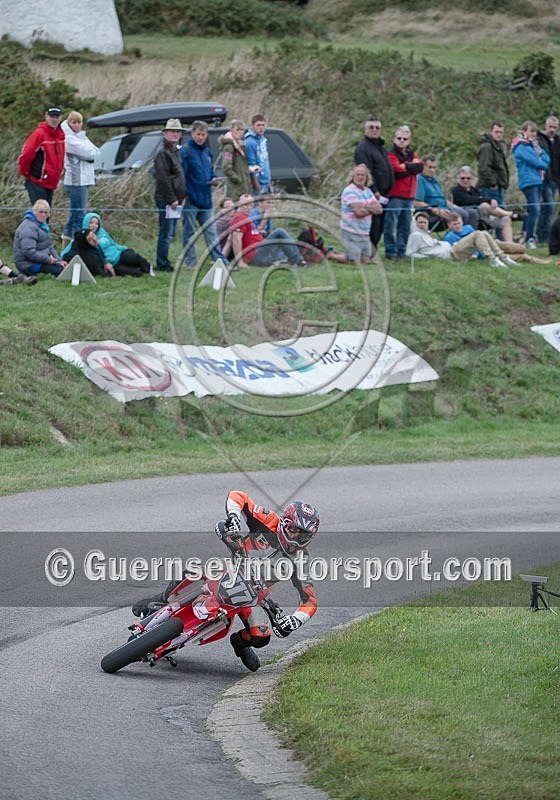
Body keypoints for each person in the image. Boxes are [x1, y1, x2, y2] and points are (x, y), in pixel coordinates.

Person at [131, 493, 321, 672]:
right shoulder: (269, 520)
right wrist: (234, 516)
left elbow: (310, 602)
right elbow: (239, 496)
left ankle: (239, 644)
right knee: (193, 570)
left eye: (303, 535)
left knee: (261, 636)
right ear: (284, 523)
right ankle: (161, 600)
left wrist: (295, 620)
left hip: (253, 597)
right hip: (229, 569)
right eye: (293, 530)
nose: (295, 538)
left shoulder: (302, 561)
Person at [406, 211, 550, 264]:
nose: (423, 224)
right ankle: (496, 258)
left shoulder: (427, 235)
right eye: (420, 222)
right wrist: (429, 257)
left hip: (482, 245)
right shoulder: (416, 236)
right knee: (522, 255)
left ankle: (500, 256)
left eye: (425, 222)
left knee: (519, 248)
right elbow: (410, 253)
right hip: (456, 251)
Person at [180, 120, 225, 268]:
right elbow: (182, 175)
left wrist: (214, 179)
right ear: (192, 134)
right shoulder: (185, 151)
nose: (200, 137)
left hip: (206, 198)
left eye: (203, 134)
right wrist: (185, 193)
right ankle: (190, 261)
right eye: (198, 134)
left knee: (211, 231)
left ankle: (218, 259)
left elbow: (210, 171)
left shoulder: (207, 151)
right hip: (191, 198)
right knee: (189, 232)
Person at [230, 194, 306, 268]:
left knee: (287, 246)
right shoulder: (239, 217)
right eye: (245, 205)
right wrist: (240, 262)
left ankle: (295, 258)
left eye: (251, 205)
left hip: (261, 247)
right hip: (255, 253)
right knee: (279, 232)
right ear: (239, 204)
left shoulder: (245, 217)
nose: (248, 208)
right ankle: (298, 261)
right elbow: (236, 239)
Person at [383, 125, 424, 260]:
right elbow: (396, 170)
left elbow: (420, 167)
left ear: (409, 141)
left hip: (409, 196)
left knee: (405, 226)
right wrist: (411, 167)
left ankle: (401, 251)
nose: (402, 141)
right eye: (399, 138)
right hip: (395, 195)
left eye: (405, 139)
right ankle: (390, 251)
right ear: (394, 139)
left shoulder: (412, 154)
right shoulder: (391, 154)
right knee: (391, 225)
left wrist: (405, 166)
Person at [60, 111, 99, 248]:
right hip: (76, 182)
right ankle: (77, 245)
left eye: (79, 122)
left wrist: (90, 155)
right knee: (79, 215)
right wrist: (90, 155)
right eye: (74, 122)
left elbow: (95, 151)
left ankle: (66, 244)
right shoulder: (68, 138)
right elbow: (89, 152)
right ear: (69, 123)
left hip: (85, 180)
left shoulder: (80, 136)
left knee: (74, 214)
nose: (77, 125)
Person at [353, 118, 394, 247]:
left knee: (380, 224)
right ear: (366, 129)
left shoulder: (380, 148)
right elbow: (365, 172)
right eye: (371, 127)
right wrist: (374, 190)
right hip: (371, 193)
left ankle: (372, 251)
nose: (374, 130)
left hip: (385, 193)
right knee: (372, 224)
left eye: (377, 127)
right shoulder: (363, 148)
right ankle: (367, 252)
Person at [153, 118, 187, 272]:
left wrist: (181, 197)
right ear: (165, 133)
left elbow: (178, 176)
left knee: (170, 232)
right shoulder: (162, 153)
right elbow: (163, 179)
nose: (175, 134)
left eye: (177, 131)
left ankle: (164, 261)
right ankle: (162, 263)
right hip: (166, 199)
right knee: (166, 233)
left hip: (175, 199)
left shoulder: (175, 151)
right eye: (172, 131)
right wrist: (172, 199)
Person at [511, 120, 550, 249]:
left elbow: (546, 158)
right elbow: (538, 163)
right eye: (531, 131)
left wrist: (542, 159)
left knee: (532, 210)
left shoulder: (535, 146)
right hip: (529, 181)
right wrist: (542, 161)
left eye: (535, 132)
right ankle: (529, 238)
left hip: (538, 180)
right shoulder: (521, 147)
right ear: (524, 132)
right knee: (535, 210)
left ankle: (524, 235)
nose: (534, 134)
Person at [451, 166, 515, 241]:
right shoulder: (456, 191)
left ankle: (510, 245)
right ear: (458, 179)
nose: (465, 180)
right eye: (463, 178)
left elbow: (479, 199)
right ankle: (510, 214)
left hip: (485, 216)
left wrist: (488, 200)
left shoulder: (474, 190)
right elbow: (469, 200)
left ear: (472, 179)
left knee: (506, 220)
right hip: (469, 216)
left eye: (468, 178)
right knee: (483, 205)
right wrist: (488, 200)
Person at [77, 212, 151, 277]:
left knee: (135, 258)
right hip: (112, 264)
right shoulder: (82, 238)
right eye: (91, 223)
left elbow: (112, 243)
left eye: (96, 223)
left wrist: (124, 249)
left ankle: (149, 269)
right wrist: (65, 260)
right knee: (137, 273)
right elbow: (71, 248)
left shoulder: (102, 232)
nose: (94, 225)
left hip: (119, 254)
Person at [18, 107, 66, 206]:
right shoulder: (39, 134)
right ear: (46, 116)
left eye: (57, 116)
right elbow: (26, 155)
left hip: (51, 182)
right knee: (38, 214)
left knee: (46, 215)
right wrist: (26, 172)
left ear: (60, 118)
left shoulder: (60, 135)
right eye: (52, 116)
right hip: (37, 182)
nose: (54, 119)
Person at [340, 164, 382, 263]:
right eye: (357, 175)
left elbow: (379, 209)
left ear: (367, 177)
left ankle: (339, 254)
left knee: (365, 261)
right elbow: (359, 212)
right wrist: (370, 208)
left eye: (362, 175)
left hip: (364, 232)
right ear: (353, 177)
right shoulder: (349, 191)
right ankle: (332, 255)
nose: (360, 177)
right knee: (356, 263)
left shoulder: (367, 191)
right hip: (350, 230)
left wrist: (365, 208)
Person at [13, 199, 67, 277]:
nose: (43, 215)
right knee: (62, 272)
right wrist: (49, 260)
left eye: (46, 213)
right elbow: (29, 252)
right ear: (35, 212)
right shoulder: (28, 227)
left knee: (64, 267)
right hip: (28, 264)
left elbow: (49, 247)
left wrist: (59, 261)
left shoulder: (42, 226)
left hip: (39, 261)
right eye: (40, 212)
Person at [414, 156, 470, 229]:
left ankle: (472, 236)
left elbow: (442, 199)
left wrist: (455, 206)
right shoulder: (419, 180)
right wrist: (435, 210)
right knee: (463, 214)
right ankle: (459, 237)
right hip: (431, 213)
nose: (432, 170)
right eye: (430, 167)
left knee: (471, 212)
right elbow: (417, 202)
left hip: (445, 208)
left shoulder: (435, 180)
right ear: (422, 167)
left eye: (434, 168)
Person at [536, 115, 560, 246]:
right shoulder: (540, 139)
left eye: (555, 127)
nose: (552, 129)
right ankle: (542, 235)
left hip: (558, 177)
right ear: (545, 126)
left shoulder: (558, 139)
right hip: (546, 178)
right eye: (550, 127)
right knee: (548, 207)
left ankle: (555, 234)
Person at [477, 121, 510, 211]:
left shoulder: (498, 147)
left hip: (498, 186)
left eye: (501, 132)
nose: (499, 134)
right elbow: (483, 168)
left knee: (501, 214)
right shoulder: (487, 147)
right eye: (496, 132)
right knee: (493, 214)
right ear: (490, 131)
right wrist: (493, 183)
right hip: (489, 188)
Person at [218, 120, 252, 202]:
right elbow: (226, 167)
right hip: (235, 189)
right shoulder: (229, 147)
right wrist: (238, 179)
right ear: (232, 131)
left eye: (242, 130)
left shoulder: (241, 147)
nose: (240, 132)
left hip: (244, 187)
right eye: (237, 129)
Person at [245, 114, 272, 195]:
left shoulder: (263, 140)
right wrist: (256, 184)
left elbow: (265, 162)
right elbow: (251, 165)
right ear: (253, 126)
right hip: (258, 183)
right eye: (258, 125)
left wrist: (269, 183)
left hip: (266, 181)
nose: (261, 128)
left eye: (263, 125)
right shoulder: (250, 142)